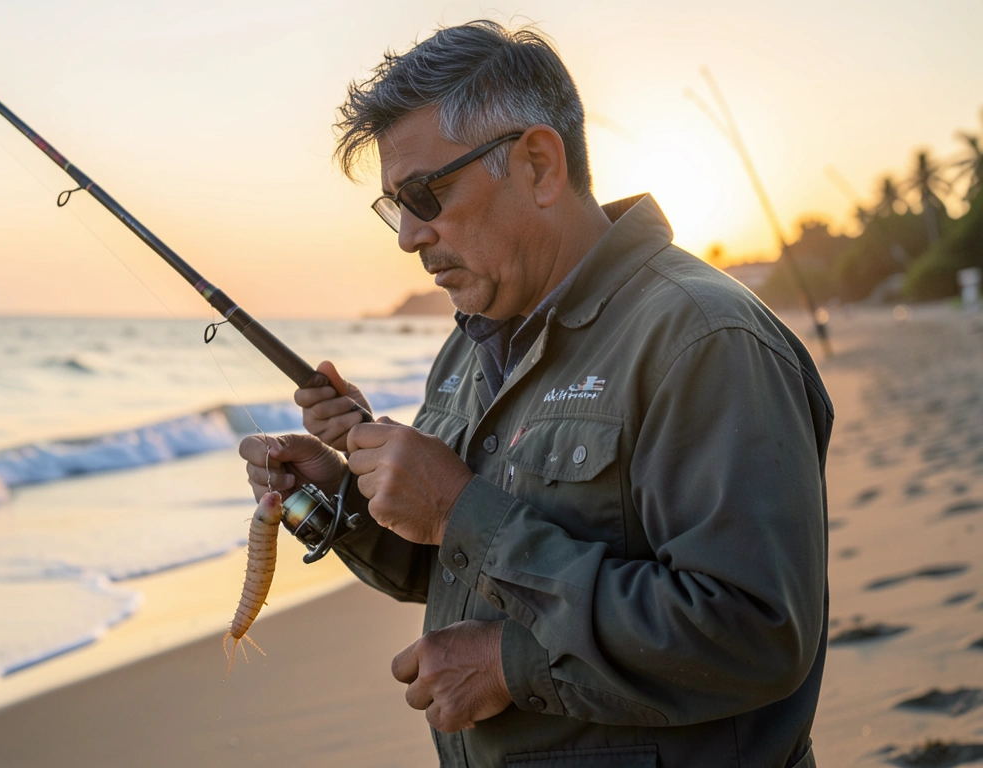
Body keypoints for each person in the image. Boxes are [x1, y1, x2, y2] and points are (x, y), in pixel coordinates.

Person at [239, 20, 831, 768]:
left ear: (540, 166)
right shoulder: (471, 343)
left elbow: (753, 634)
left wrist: (509, 662)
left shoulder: (704, 340)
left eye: (425, 194)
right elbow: (453, 565)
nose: (408, 237)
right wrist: (338, 497)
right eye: (396, 206)